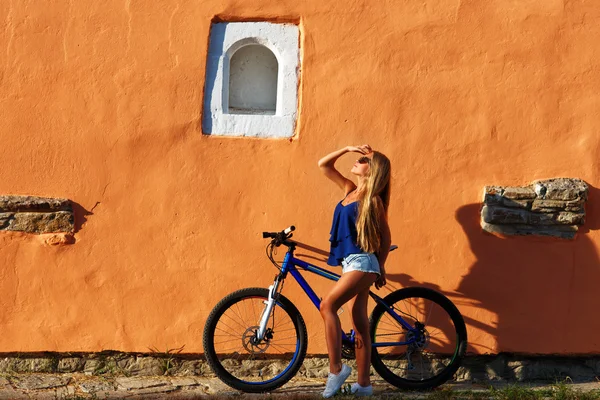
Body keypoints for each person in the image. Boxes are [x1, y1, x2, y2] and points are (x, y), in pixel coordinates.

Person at [317, 144, 392, 397]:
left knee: (327, 305)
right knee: (359, 324)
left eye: (363, 160)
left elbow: (385, 236)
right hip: (351, 264)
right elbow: (324, 166)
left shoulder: (373, 201)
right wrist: (347, 148)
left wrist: (381, 266)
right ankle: (364, 385)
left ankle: (336, 370)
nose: (357, 161)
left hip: (363, 263)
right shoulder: (349, 190)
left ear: (372, 170)